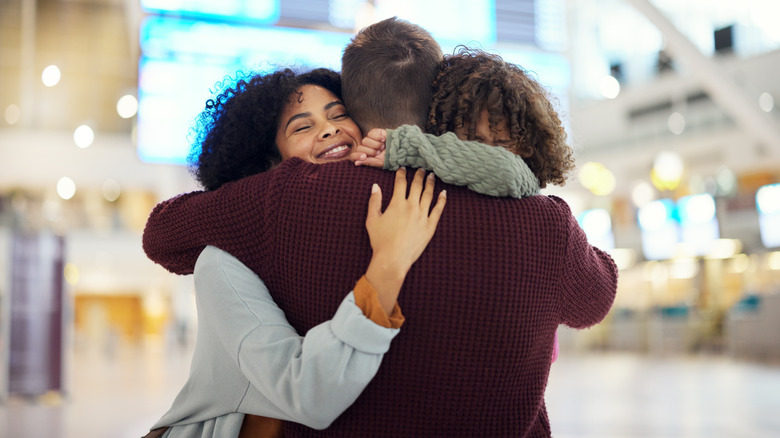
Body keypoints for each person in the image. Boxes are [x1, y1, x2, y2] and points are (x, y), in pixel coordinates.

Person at [144, 18, 617, 437]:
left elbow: (163, 235)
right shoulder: (547, 225)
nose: (327, 132)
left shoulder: (286, 199)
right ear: (438, 96)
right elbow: (596, 299)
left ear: (354, 102)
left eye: (334, 115)